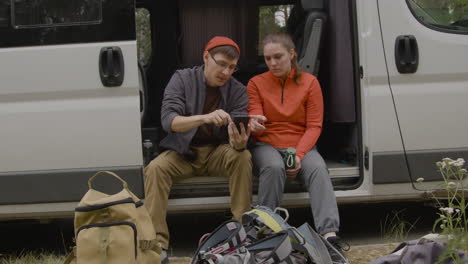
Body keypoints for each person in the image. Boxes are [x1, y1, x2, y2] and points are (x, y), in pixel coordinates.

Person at [144, 36, 253, 263]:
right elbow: (169, 121)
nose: (226, 72)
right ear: (206, 57)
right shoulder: (182, 79)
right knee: (155, 168)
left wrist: (240, 143)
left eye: (231, 67)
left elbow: (237, 142)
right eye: (221, 64)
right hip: (184, 152)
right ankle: (157, 245)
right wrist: (205, 118)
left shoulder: (238, 90)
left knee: (242, 157)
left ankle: (242, 236)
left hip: (216, 153)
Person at [247, 33, 349, 262]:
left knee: (318, 169)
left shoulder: (310, 83)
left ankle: (329, 236)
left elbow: (314, 126)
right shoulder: (256, 83)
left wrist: (299, 154)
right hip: (267, 144)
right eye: (267, 58)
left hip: (301, 143)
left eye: (278, 57)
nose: (272, 63)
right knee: (273, 167)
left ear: (292, 54)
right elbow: (255, 121)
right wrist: (254, 125)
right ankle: (265, 231)